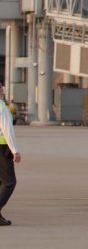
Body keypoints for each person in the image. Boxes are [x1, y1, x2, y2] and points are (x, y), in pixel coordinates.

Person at [0, 85, 21, 226]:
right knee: (9, 182)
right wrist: (15, 150)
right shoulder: (1, 107)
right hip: (2, 148)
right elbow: (7, 130)